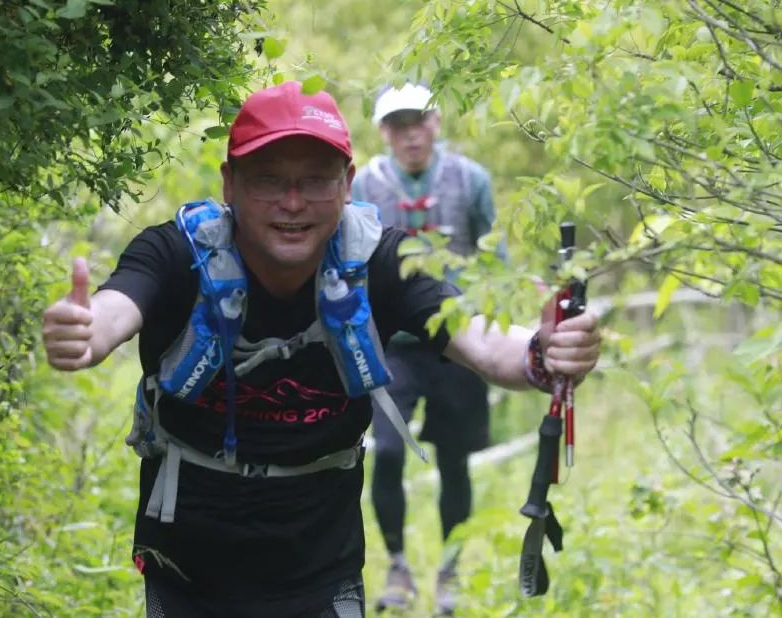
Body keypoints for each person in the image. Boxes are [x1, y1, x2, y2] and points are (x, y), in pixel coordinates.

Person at [41, 81, 601, 618]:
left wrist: (540, 350)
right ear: (229, 184)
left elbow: (477, 338)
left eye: (315, 180)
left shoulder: (381, 260)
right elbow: (119, 306)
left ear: (348, 183)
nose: (292, 202)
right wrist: (89, 332)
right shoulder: (176, 252)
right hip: (187, 569)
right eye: (267, 180)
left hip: (322, 574)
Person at [350, 82, 504, 615]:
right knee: (386, 452)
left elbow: (495, 256)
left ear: (435, 123)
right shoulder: (365, 185)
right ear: (384, 132)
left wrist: (500, 323)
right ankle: (396, 564)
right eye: (398, 124)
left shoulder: (470, 180)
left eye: (418, 121)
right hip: (392, 343)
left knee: (455, 459)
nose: (410, 133)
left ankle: (450, 570)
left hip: (459, 339)